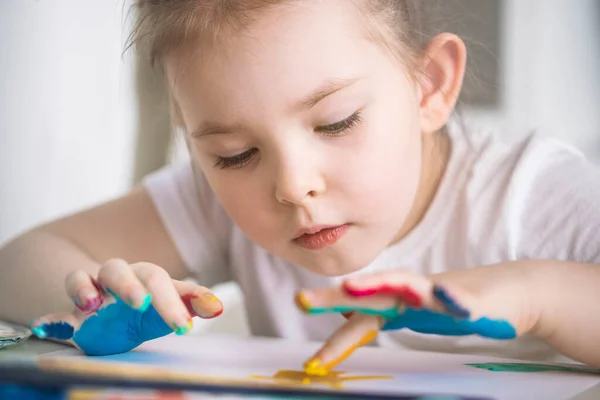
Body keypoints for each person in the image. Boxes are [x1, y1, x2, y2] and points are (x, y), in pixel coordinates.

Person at [1, 0, 600, 375]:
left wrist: (535, 295)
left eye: (335, 122)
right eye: (234, 155)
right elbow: (14, 264)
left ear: (429, 86)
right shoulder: (210, 201)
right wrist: (93, 304)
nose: (291, 185)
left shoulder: (532, 192)